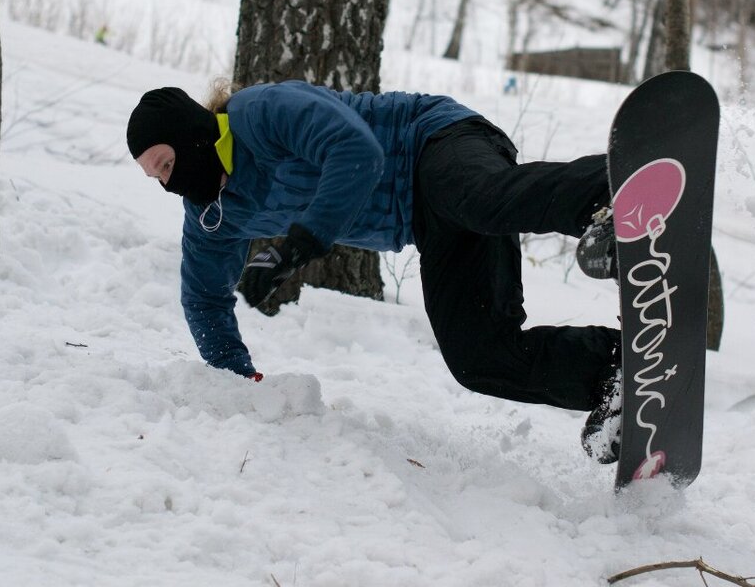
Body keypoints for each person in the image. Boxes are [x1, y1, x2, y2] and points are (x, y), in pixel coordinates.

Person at [126, 79, 623, 460]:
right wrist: (235, 381)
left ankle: (615, 196)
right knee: (479, 358)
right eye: (154, 177)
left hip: (433, 139)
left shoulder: (259, 113)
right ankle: (616, 373)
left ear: (192, 135)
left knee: (478, 199)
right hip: (429, 222)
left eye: (165, 164)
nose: (167, 184)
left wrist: (300, 244)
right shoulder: (213, 214)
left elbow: (355, 150)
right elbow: (203, 299)